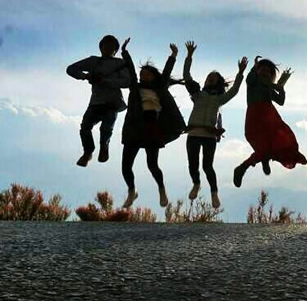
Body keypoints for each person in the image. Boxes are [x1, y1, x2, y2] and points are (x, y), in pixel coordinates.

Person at [183, 40, 248, 208]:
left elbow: (234, 90)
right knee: (193, 165)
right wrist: (189, 56)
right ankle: (196, 184)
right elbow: (187, 77)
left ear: (218, 82)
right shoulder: (197, 95)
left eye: (213, 78)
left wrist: (240, 73)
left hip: (209, 135)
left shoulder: (219, 99)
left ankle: (214, 192)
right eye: (208, 77)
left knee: (207, 166)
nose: (210, 79)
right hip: (193, 133)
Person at [121, 41, 186, 209]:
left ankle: (162, 189)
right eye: (141, 74)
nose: (143, 76)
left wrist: (173, 56)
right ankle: (131, 191)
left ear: (153, 76)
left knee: (152, 164)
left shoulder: (160, 87)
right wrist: (124, 53)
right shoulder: (135, 88)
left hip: (152, 127)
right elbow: (130, 70)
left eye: (146, 74)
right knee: (126, 165)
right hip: (134, 127)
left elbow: (166, 73)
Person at [233, 57, 307, 187]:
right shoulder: (253, 82)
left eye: (268, 71)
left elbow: (280, 101)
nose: (265, 72)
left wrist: (281, 89)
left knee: (279, 142)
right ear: (257, 71)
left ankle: (247, 165)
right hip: (255, 116)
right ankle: (254, 163)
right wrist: (254, 67)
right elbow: (249, 78)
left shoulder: (268, 87)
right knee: (261, 145)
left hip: (270, 118)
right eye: (262, 69)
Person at [66, 35, 130, 166]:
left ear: (115, 50)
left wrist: (106, 81)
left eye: (111, 46)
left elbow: (127, 81)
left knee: (106, 128)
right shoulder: (93, 61)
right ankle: (88, 152)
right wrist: (85, 76)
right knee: (85, 127)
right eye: (105, 45)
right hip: (96, 101)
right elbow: (71, 69)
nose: (108, 48)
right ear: (101, 48)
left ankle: (104, 147)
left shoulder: (120, 63)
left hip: (113, 102)